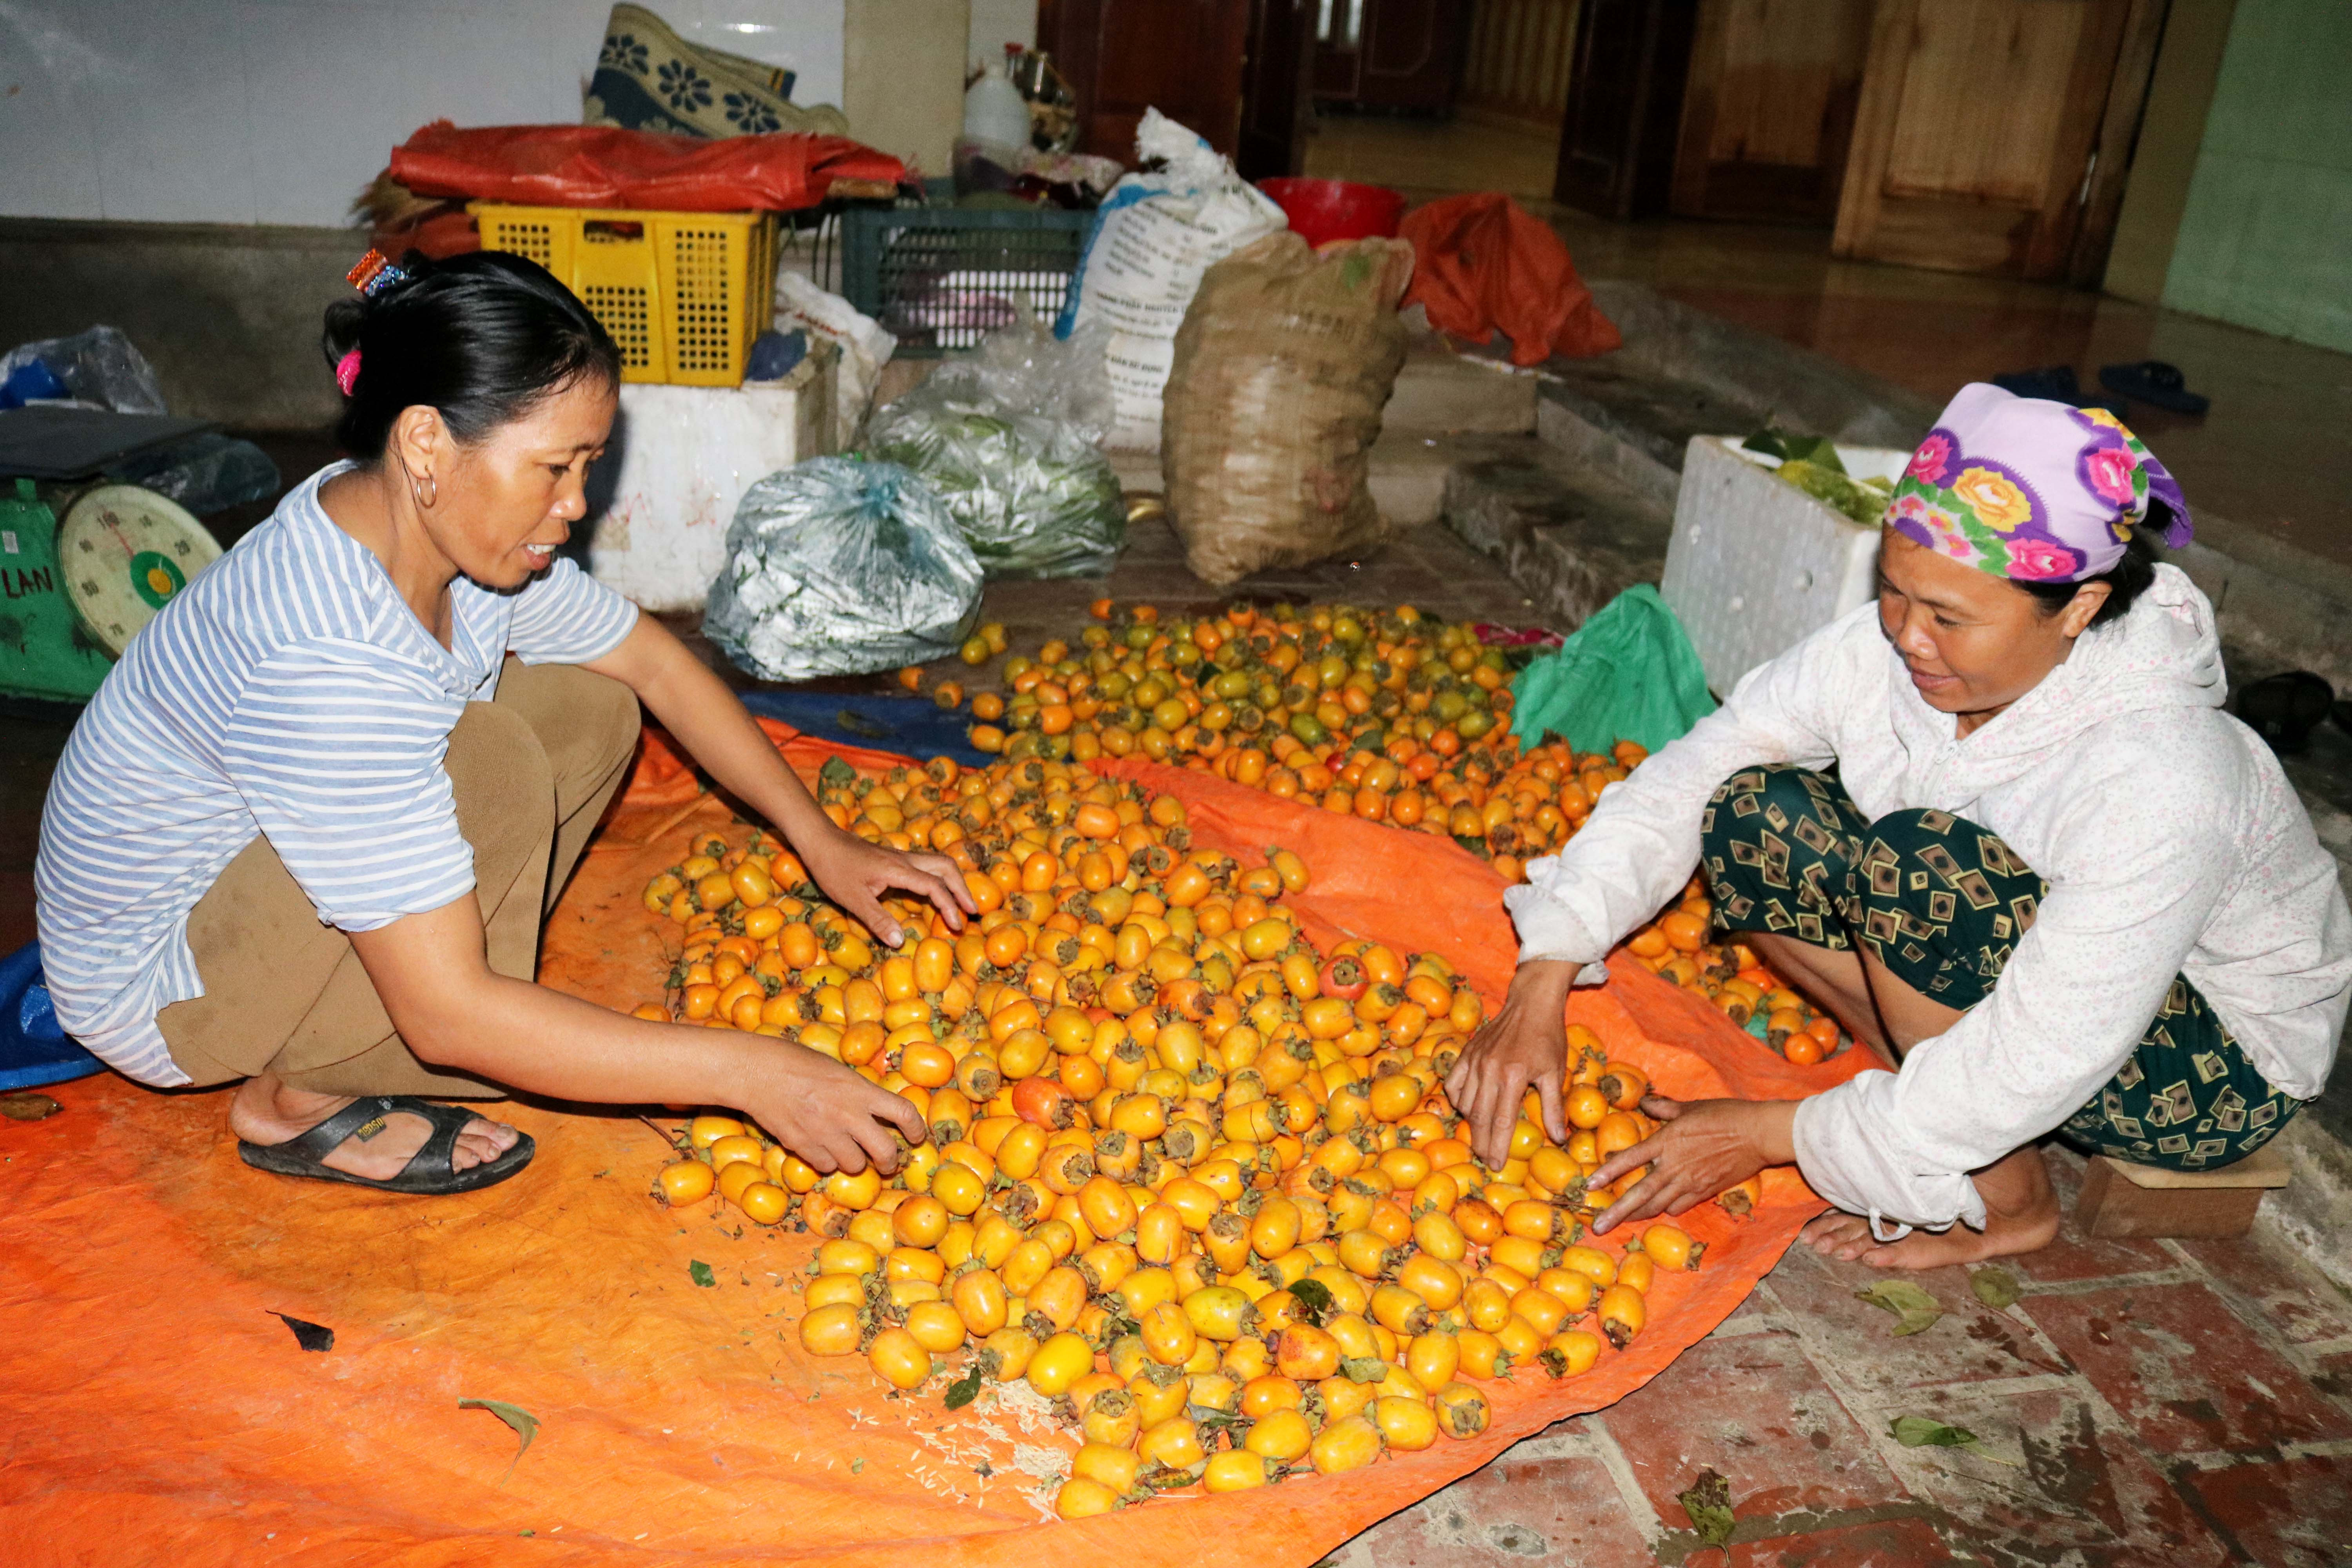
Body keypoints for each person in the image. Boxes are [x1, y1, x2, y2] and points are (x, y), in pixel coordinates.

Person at [34, 250, 970, 1195]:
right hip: (160, 982)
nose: (574, 506)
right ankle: (298, 1098)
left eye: (588, 466)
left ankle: (432, 1003)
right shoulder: (327, 657)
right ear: (427, 444)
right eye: (554, 468)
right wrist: (750, 1071)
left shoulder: (439, 538)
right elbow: (446, 1017)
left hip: (247, 878)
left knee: (591, 708)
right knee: (487, 768)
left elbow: (651, 661)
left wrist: (821, 837)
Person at [1448, 384, 2351, 1268]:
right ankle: (1916, 1098)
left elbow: (2046, 1048)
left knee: (1917, 869)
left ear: (2078, 607)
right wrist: (1549, 966)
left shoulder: (2163, 771)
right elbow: (1698, 772)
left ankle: (2010, 1202)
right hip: (2027, 980)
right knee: (1753, 812)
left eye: (1949, 617)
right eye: (1895, 592)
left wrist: (1776, 1134)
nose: (1909, 636)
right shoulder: (1888, 648)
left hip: (2208, 1068)